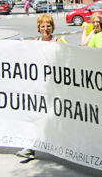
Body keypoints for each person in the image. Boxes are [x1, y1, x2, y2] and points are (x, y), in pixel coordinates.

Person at [17, 14, 65, 159]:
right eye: (42, 26)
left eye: (48, 26)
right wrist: (20, 47)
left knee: (55, 120)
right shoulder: (34, 42)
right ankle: (30, 148)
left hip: (54, 89)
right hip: (38, 89)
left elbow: (69, 59)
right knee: (35, 118)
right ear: (38, 28)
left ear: (53, 27)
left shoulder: (59, 41)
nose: (45, 29)